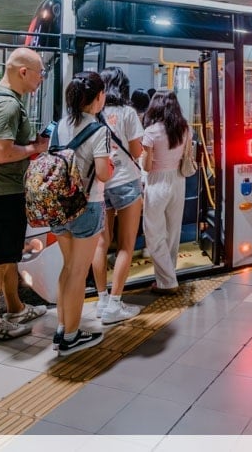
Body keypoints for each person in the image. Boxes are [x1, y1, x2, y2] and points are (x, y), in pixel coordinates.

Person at [0, 48, 49, 343]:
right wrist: (35, 149)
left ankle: (15, 308)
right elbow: (1, 152)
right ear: (23, 72)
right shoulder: (7, 106)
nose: (42, 78)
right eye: (40, 72)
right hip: (0, 194)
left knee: (7, 257)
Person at [52, 71, 114, 355]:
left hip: (59, 206)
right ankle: (72, 337)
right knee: (78, 273)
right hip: (87, 206)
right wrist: (111, 166)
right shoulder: (99, 130)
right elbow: (102, 173)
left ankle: (62, 327)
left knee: (67, 269)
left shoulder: (58, 126)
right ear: (98, 97)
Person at [91, 68, 145, 325]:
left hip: (101, 184)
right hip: (126, 182)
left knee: (101, 243)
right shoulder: (128, 113)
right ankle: (115, 304)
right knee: (126, 244)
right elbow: (136, 150)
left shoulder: (93, 112)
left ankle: (101, 299)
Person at [141, 90, 190, 295]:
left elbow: (146, 165)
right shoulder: (185, 129)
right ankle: (165, 279)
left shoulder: (151, 132)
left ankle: (168, 281)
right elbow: (187, 155)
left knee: (153, 234)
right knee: (173, 232)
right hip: (178, 181)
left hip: (157, 183)